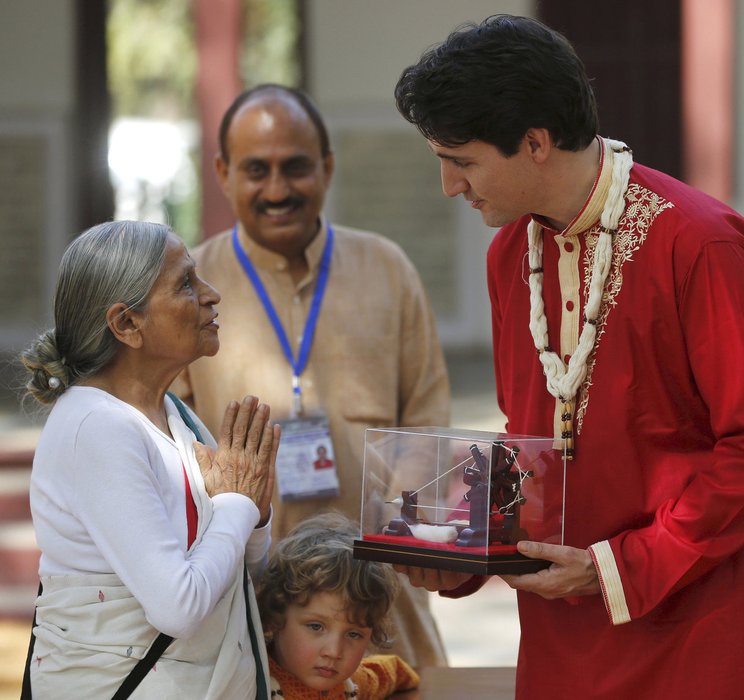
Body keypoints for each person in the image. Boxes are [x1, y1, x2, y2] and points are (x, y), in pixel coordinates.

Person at [394, 15, 744, 699]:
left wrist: (614, 569)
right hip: (567, 638)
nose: (450, 186)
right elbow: (531, 437)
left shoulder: (701, 244)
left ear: (535, 142)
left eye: (463, 161)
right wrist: (468, 551)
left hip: (704, 634)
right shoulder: (511, 254)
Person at [170, 83, 450, 668]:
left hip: (378, 609)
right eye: (256, 170)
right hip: (252, 611)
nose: (277, 190)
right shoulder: (190, 291)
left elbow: (427, 427)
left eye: (295, 167)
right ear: (222, 172)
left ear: (326, 167)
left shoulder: (387, 269)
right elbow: (173, 455)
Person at [21, 220, 278, 697]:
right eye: (185, 283)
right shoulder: (96, 426)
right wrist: (237, 504)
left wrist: (255, 509)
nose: (211, 294)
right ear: (127, 324)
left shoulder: (175, 415)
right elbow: (178, 608)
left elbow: (244, 571)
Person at [257, 513, 420, 699]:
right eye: (316, 626)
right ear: (274, 618)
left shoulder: (356, 683)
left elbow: (393, 671)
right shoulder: (248, 684)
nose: (334, 652)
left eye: (354, 634)